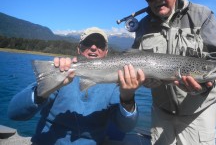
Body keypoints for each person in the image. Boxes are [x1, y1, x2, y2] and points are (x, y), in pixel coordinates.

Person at [128, 0, 216, 145]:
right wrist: (145, 81)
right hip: (161, 112)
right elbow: (136, 61)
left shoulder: (202, 15)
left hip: (198, 113)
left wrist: (203, 86)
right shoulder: (143, 26)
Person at [8, 27, 145, 145]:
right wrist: (42, 92)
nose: (93, 47)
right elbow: (14, 113)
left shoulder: (116, 84)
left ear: (106, 52)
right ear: (79, 49)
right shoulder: (60, 71)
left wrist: (128, 98)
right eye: (88, 43)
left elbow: (126, 127)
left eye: (100, 44)